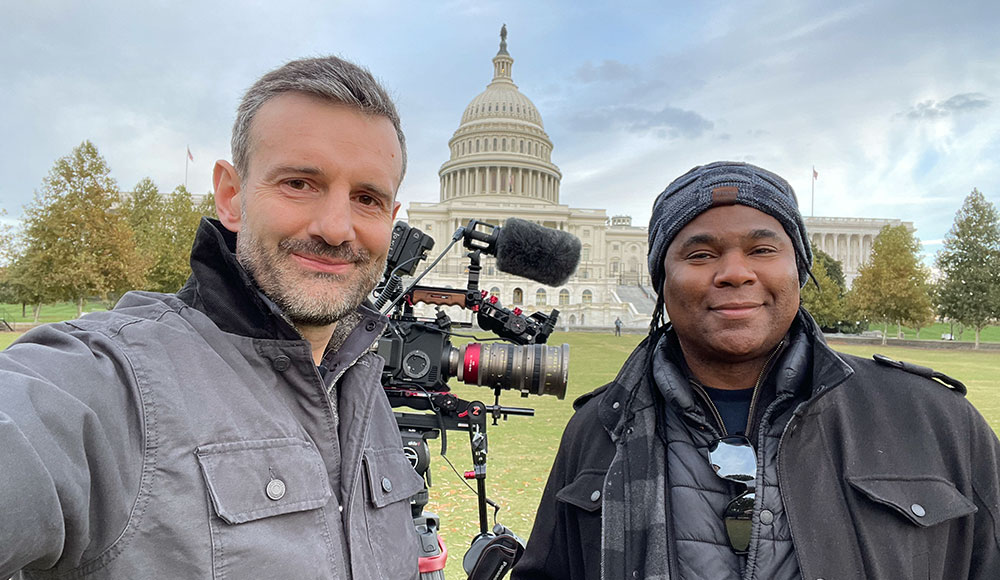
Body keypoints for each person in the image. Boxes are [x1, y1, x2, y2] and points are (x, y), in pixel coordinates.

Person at [0, 56, 424, 579]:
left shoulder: (361, 381)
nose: (337, 228)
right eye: (299, 183)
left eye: (367, 198)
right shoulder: (111, 383)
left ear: (392, 219)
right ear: (231, 196)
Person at [514, 161, 1000, 580]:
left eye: (763, 250)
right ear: (661, 283)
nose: (735, 273)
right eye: (700, 254)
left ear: (800, 270)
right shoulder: (597, 430)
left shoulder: (938, 423)